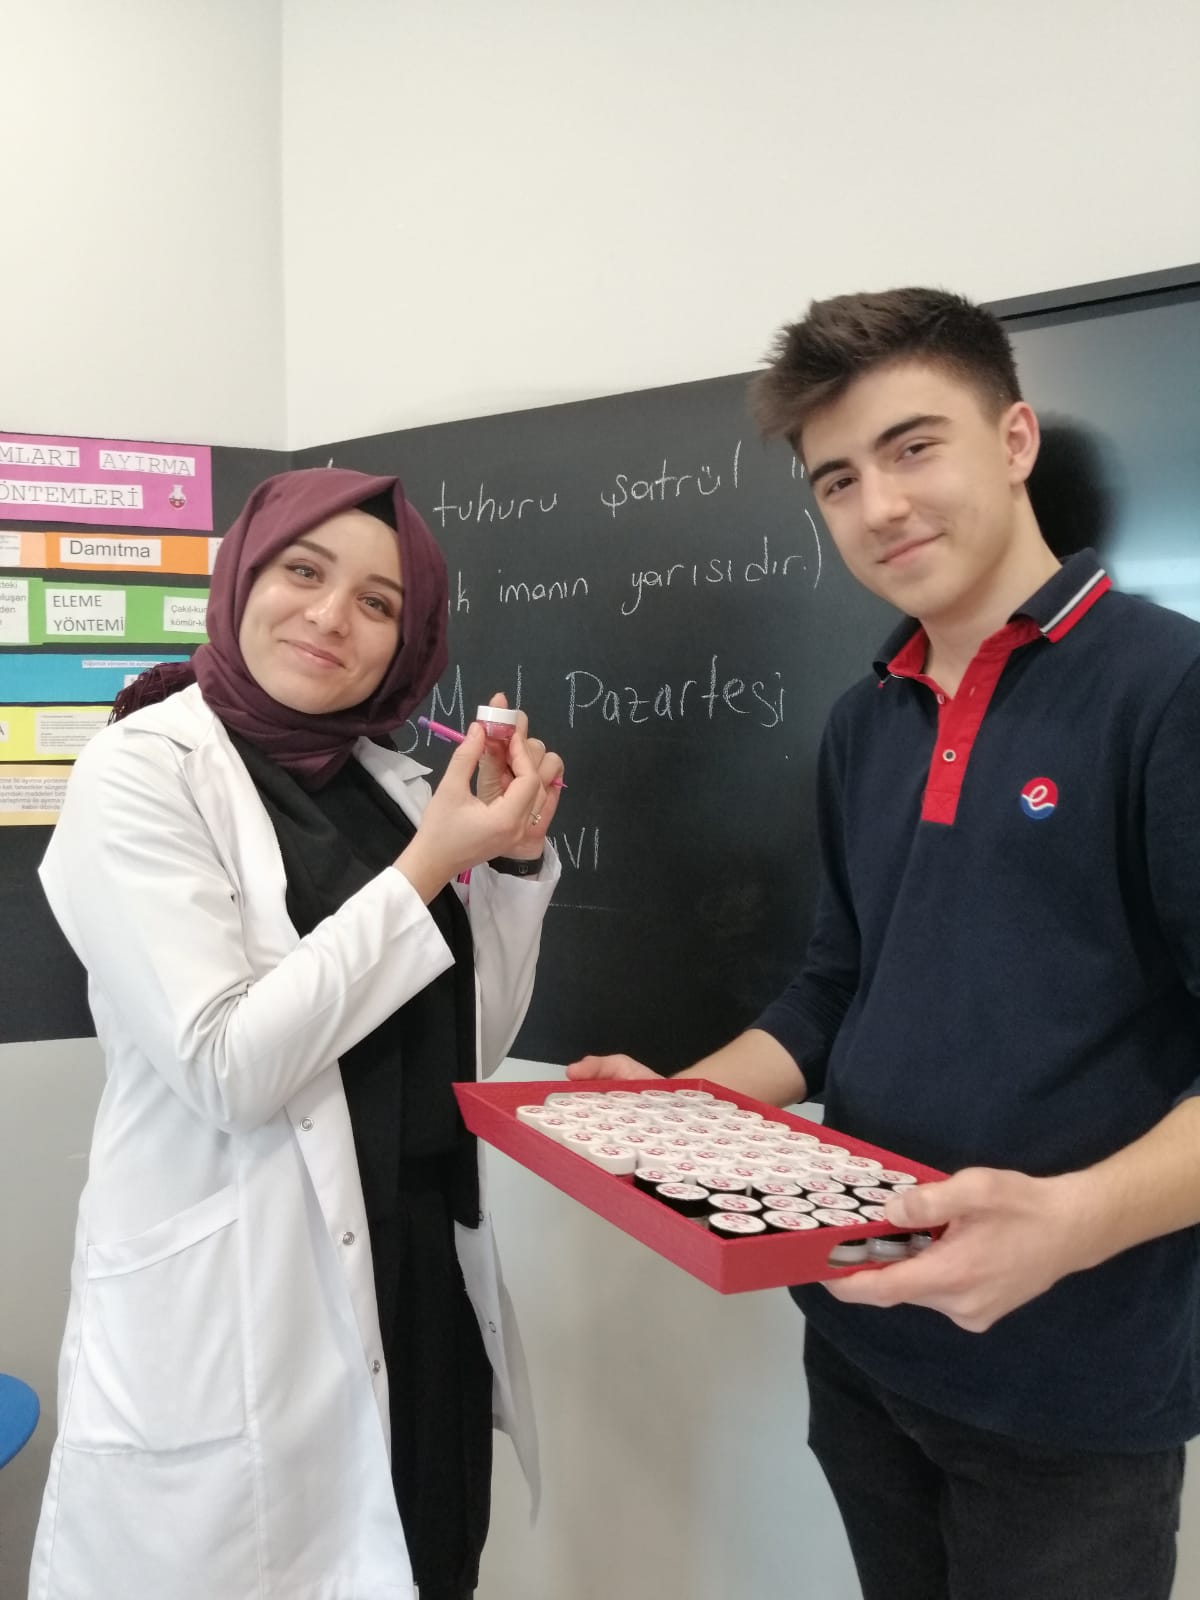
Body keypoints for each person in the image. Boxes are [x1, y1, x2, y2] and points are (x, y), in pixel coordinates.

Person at [572, 289, 1200, 1600]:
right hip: (861, 1333)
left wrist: (1069, 1224)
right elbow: (836, 985)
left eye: (915, 448)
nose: (880, 506)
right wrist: (679, 1110)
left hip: (1067, 1383)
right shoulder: (869, 718)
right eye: (839, 479)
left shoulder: (1168, 689)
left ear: (1015, 439)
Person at [29, 467, 563, 1600]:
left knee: (426, 1563)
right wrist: (432, 866)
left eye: (379, 603)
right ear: (242, 577)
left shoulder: (395, 788)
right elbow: (228, 1065)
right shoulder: (143, 770)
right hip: (244, 1305)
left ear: (409, 641)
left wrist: (509, 867)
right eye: (304, 571)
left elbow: (462, 1048)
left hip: (419, 1284)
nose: (331, 617)